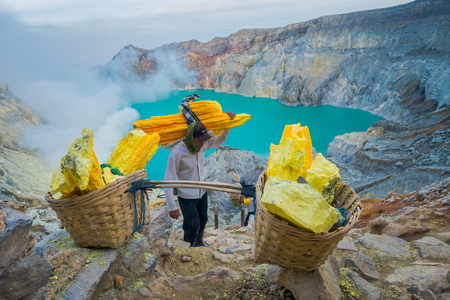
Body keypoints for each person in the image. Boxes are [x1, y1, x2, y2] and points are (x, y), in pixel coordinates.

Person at [164, 113, 236, 247]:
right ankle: (189, 245)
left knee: (203, 219)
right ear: (191, 138)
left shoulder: (203, 145)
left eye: (204, 140)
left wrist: (227, 125)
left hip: (202, 191)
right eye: (199, 140)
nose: (202, 143)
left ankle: (198, 242)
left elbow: (220, 140)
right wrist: (171, 206)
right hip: (186, 195)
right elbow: (168, 180)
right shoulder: (177, 153)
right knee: (192, 223)